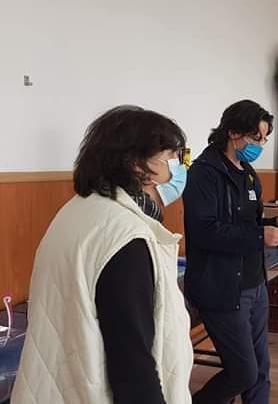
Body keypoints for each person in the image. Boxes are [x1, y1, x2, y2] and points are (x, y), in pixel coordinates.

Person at [12, 106, 193, 403]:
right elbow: (133, 365)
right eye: (171, 157)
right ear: (138, 166)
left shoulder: (77, 211)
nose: (179, 167)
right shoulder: (126, 236)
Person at [183, 100, 278, 404]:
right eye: (256, 137)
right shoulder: (204, 173)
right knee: (243, 372)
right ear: (233, 132)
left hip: (254, 283)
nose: (261, 144)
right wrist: (260, 235)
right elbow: (206, 231)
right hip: (221, 288)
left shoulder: (249, 174)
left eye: (265, 138)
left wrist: (271, 224)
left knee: (260, 369)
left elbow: (245, 224)